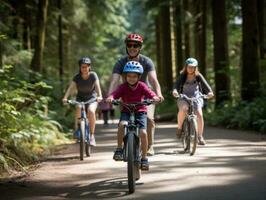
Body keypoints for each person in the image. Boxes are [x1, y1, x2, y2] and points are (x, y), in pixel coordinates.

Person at [108, 33, 164, 156]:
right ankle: (122, 146)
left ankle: (150, 146)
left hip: (145, 95)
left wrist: (158, 95)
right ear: (126, 46)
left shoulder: (147, 61)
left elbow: (154, 80)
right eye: (129, 45)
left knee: (149, 118)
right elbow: (114, 80)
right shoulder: (120, 62)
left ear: (140, 47)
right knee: (123, 122)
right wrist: (109, 97)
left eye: (136, 45)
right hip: (127, 94)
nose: (132, 48)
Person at [106, 61, 160, 170]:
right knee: (122, 124)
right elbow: (115, 94)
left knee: (143, 133)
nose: (131, 78)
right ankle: (119, 149)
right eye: (129, 76)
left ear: (139, 76)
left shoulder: (142, 86)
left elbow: (150, 93)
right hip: (126, 110)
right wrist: (111, 97)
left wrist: (154, 97)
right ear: (125, 76)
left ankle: (144, 158)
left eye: (134, 76)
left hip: (140, 110)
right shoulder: (123, 87)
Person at [172, 58, 214, 145]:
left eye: (193, 67)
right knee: (184, 109)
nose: (191, 69)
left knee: (199, 114)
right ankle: (179, 128)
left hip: (196, 97)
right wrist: (175, 91)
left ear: (196, 68)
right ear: (186, 67)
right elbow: (176, 86)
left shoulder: (198, 76)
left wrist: (210, 93)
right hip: (184, 97)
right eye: (189, 67)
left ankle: (200, 136)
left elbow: (207, 87)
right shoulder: (182, 76)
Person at [62, 57, 103, 146]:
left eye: (86, 66)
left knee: (91, 111)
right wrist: (65, 97)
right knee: (78, 107)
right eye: (82, 67)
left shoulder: (93, 75)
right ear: (80, 68)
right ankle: (77, 130)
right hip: (80, 98)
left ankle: (92, 136)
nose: (84, 69)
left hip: (92, 98)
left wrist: (100, 96)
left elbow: (97, 86)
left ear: (89, 67)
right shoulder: (77, 77)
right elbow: (70, 88)